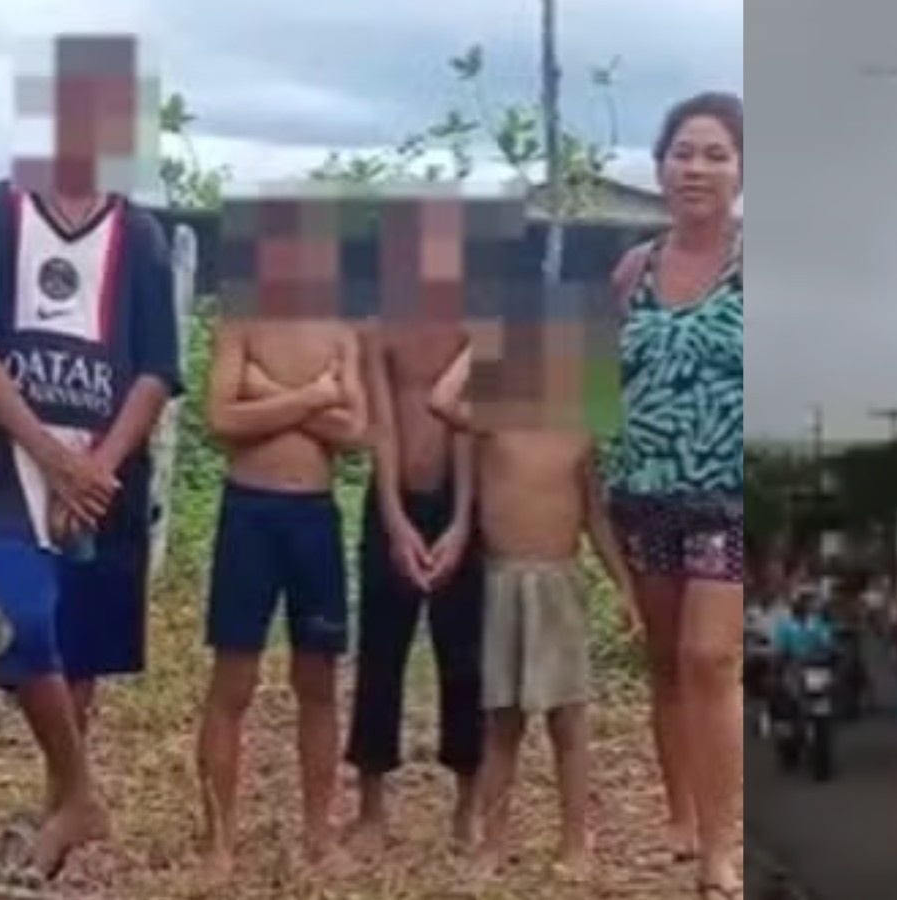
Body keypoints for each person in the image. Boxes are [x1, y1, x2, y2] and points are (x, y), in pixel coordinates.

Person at [0, 64, 182, 874]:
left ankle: (52, 832)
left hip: (112, 470)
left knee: (80, 651)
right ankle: (82, 797)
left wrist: (100, 466)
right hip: (22, 462)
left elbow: (157, 369)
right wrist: (51, 456)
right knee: (25, 626)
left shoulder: (140, 237)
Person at [427, 339, 638, 883]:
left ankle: (575, 842)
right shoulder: (494, 419)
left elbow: (595, 518)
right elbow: (441, 401)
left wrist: (627, 590)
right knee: (503, 723)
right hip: (504, 582)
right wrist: (485, 341)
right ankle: (492, 844)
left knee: (568, 722)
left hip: (559, 584)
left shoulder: (577, 429)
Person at [607, 91, 745, 899]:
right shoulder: (634, 269)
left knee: (711, 657)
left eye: (715, 153)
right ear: (660, 166)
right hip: (645, 490)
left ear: (740, 170)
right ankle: (683, 815)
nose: (696, 167)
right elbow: (599, 388)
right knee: (664, 661)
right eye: (683, 152)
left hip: (728, 494)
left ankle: (723, 847)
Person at [195, 256, 368, 879]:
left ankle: (320, 833)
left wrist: (270, 395)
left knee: (317, 681)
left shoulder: (342, 332)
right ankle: (219, 840)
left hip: (313, 518)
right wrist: (316, 395)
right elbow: (220, 420)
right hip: (249, 515)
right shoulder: (242, 323)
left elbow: (357, 430)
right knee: (233, 681)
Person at [342, 270, 484, 851]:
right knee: (380, 654)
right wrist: (395, 519)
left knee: (466, 658)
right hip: (391, 500)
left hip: (459, 499)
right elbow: (381, 429)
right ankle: (372, 810)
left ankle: (468, 808)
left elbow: (470, 428)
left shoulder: (475, 329)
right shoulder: (377, 330)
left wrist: (462, 522)